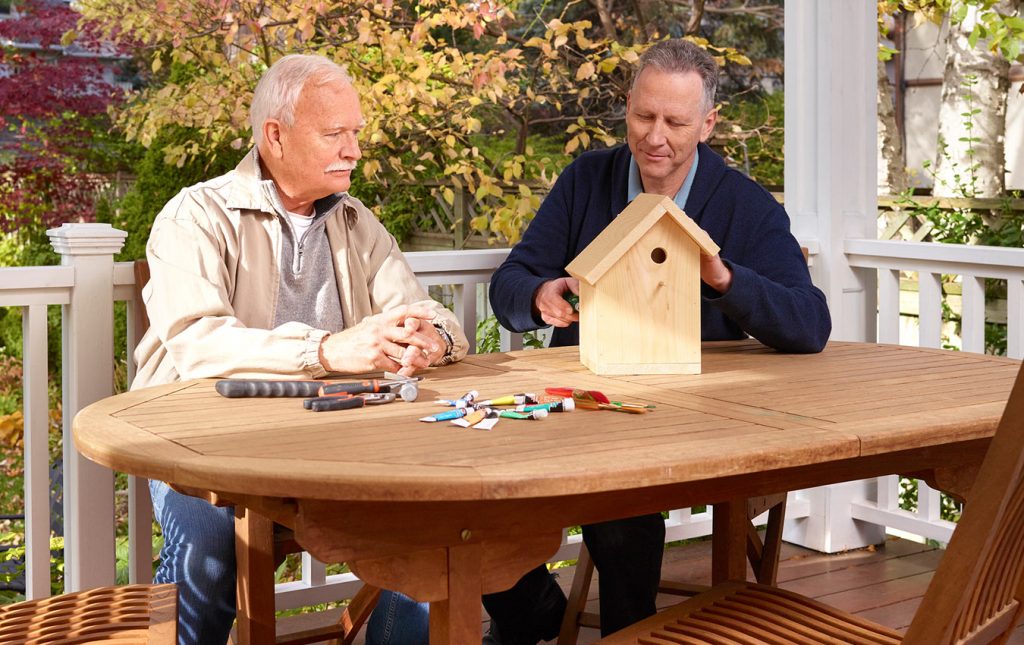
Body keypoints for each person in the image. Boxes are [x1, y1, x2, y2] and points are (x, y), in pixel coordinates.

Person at [485, 39, 831, 642]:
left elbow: (810, 322)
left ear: (708, 123)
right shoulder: (585, 180)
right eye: (644, 115)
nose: (655, 136)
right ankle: (533, 608)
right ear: (627, 108)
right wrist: (540, 295)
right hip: (578, 405)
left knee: (622, 508)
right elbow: (509, 284)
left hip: (696, 421)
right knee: (476, 493)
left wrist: (723, 277)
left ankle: (628, 630)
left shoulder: (743, 204)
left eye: (675, 121)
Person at [133, 54, 467, 645]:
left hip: (332, 436)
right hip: (201, 442)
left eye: (356, 133)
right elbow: (196, 344)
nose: (354, 150)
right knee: (209, 552)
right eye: (335, 134)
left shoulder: (356, 221)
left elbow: (421, 309)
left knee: (427, 520)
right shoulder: (195, 216)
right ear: (275, 135)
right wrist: (328, 349)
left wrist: (431, 338)